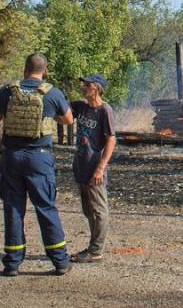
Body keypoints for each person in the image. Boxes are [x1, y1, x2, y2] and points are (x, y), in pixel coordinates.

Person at [0, 53, 73, 277]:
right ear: (44, 71)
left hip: (12, 157)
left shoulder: (7, 92)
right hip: (39, 158)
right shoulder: (52, 93)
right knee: (45, 207)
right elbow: (68, 120)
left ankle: (12, 263)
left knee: (13, 209)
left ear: (25, 69)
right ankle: (60, 262)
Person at [69, 73, 116, 263]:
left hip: (95, 166)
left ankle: (96, 250)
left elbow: (111, 139)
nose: (83, 88)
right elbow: (61, 112)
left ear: (96, 88)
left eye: (87, 85)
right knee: (88, 209)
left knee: (99, 210)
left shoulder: (105, 110)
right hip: (81, 164)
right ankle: (92, 246)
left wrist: (100, 167)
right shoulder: (80, 107)